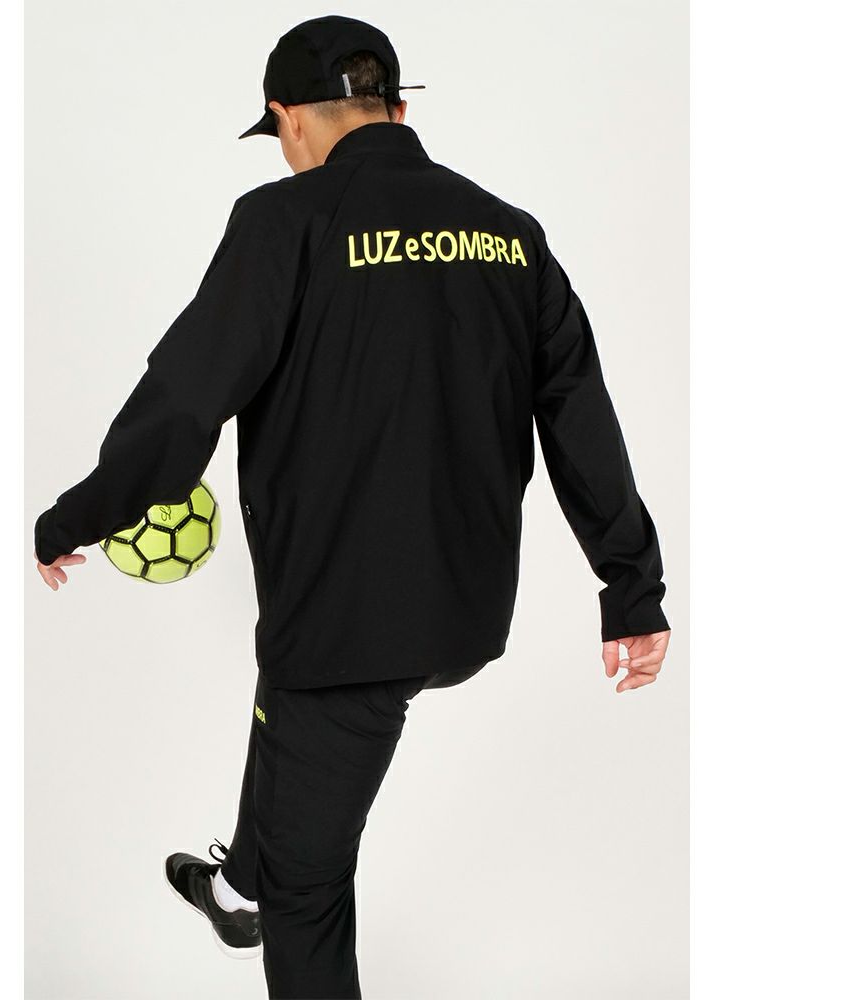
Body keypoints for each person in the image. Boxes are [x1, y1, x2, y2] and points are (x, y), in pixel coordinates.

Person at [33, 15, 672, 999]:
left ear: (288, 119)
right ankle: (236, 885)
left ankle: (267, 888)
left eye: (280, 133)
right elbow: (579, 414)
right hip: (461, 608)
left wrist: (75, 517)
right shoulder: (510, 233)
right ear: (398, 109)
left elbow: (187, 397)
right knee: (289, 689)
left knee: (311, 883)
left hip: (348, 621)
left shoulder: (283, 221)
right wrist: (632, 588)